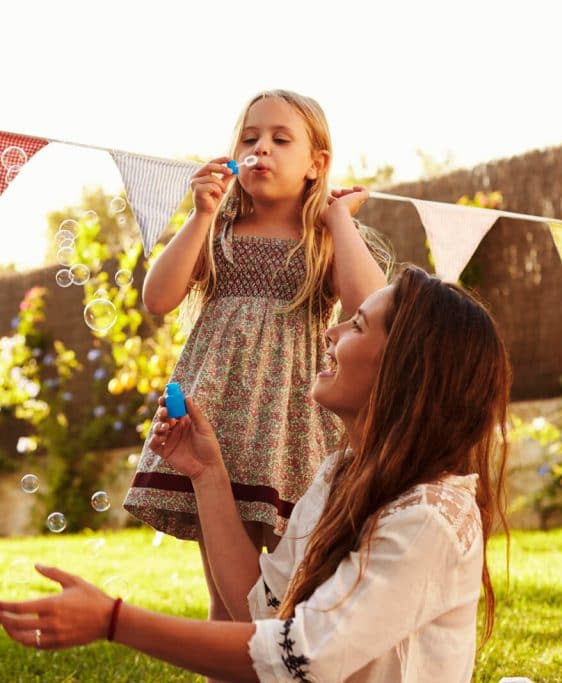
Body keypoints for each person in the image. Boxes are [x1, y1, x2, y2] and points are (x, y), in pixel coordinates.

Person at [0, 266, 511, 682]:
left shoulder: (430, 518)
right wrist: (207, 475)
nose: (329, 333)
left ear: (405, 368)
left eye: (356, 326)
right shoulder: (339, 477)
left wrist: (113, 620)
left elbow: (300, 657)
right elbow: (260, 613)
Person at [123, 89, 389, 631]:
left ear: (317, 164)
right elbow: (157, 298)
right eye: (250, 138)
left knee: (296, 588)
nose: (260, 148)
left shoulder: (325, 238)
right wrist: (201, 213)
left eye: (279, 139)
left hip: (294, 427)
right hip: (216, 425)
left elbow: (372, 305)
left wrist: (339, 218)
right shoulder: (218, 229)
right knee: (227, 599)